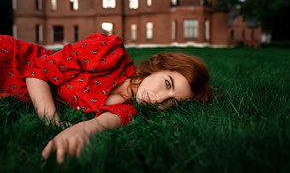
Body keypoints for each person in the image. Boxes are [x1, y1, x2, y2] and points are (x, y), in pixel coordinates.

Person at [0, 33, 211, 164]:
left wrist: (74, 132)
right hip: (11, 58)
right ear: (160, 66)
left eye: (172, 101)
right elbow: (37, 70)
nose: (159, 100)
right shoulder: (110, 52)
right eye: (168, 84)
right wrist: (52, 121)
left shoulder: (129, 109)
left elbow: (97, 124)